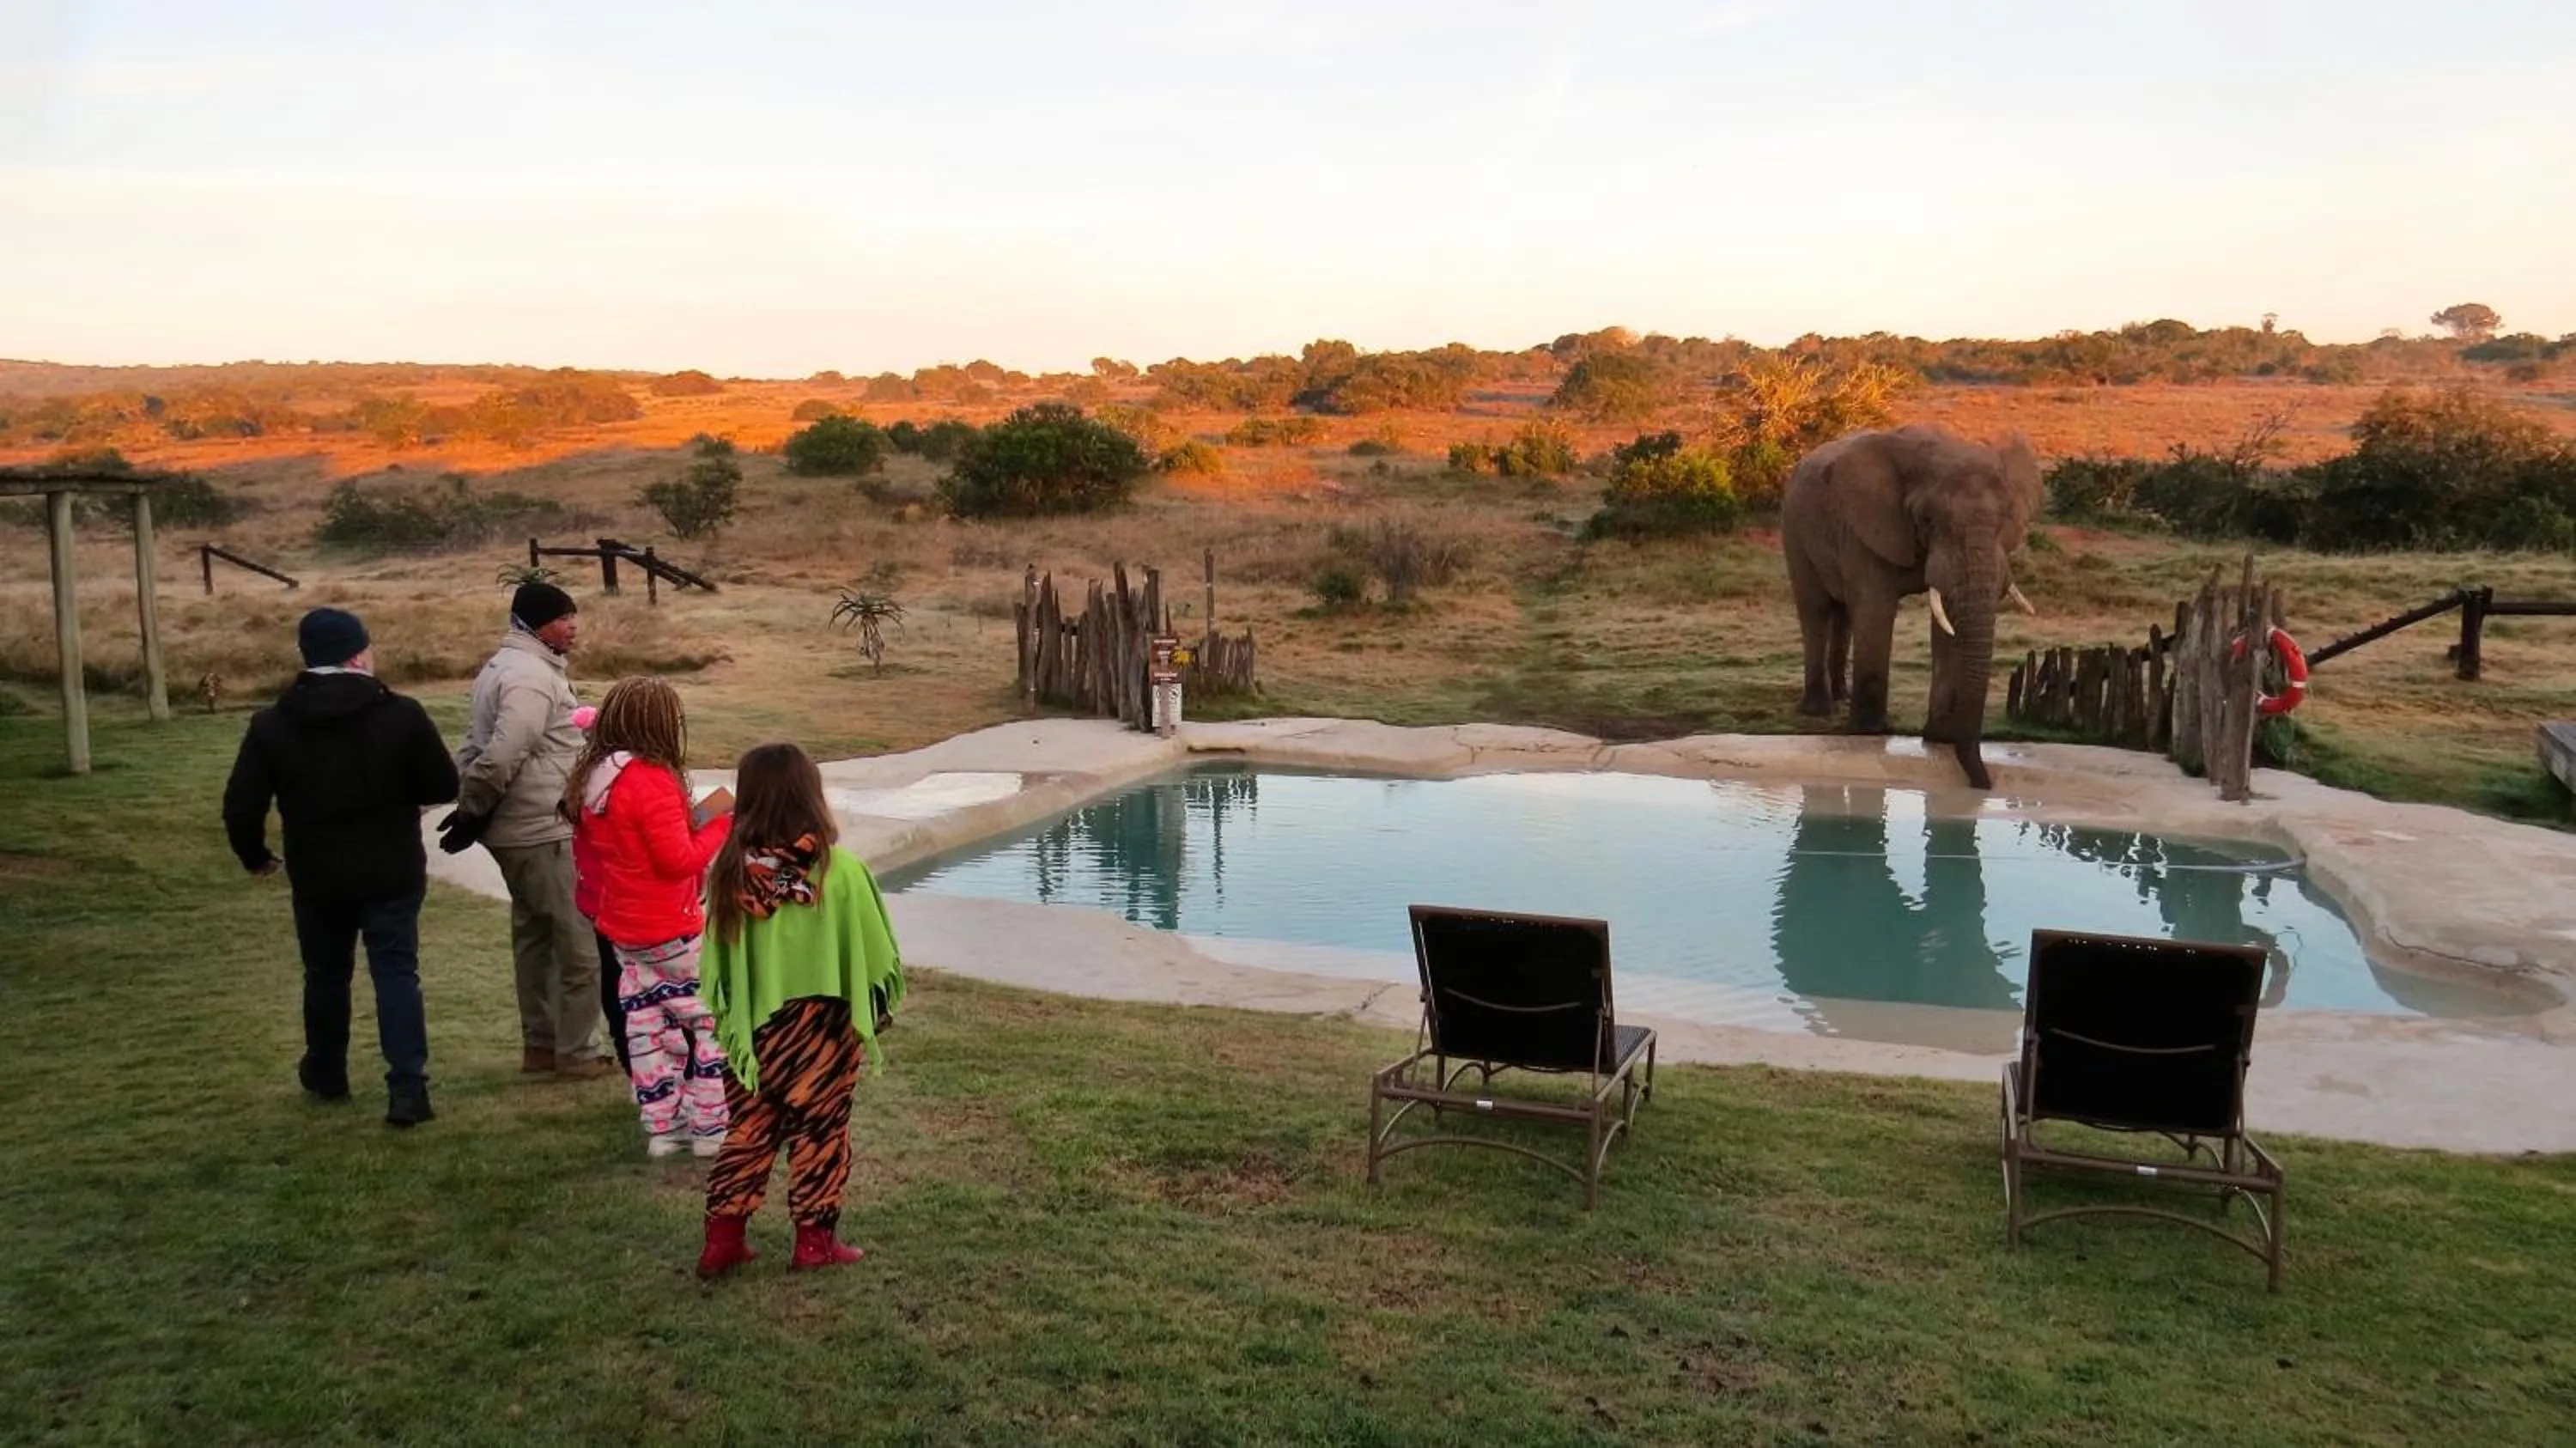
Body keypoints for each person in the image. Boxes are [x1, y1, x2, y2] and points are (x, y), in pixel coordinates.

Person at [222, 606, 459, 1128]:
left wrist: (255, 856)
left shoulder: (272, 723)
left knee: (326, 973)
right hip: (391, 865)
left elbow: (242, 805)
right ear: (356, 656)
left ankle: (327, 1069)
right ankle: (407, 1087)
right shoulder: (401, 714)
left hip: (318, 871)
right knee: (396, 973)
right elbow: (443, 784)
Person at [695, 742, 904, 1278]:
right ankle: (814, 1243)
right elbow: (875, 951)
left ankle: (723, 1240)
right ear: (810, 795)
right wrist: (872, 1009)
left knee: (750, 1128)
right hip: (824, 1027)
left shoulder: (731, 875)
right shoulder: (841, 872)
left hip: (757, 1026)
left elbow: (720, 961)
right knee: (822, 1130)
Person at [447, 581, 614, 1080]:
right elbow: (502, 752)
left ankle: (540, 1046)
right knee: (578, 944)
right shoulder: (530, 677)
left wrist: (473, 809)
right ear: (537, 624)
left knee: (535, 938)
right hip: (543, 826)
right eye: (563, 618)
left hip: (519, 826)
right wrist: (472, 807)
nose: (573, 626)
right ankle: (578, 1052)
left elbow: (475, 745)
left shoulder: (506, 666)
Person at [566, 678, 734, 1158]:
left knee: (647, 1028)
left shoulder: (595, 777)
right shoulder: (651, 779)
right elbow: (677, 860)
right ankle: (710, 1126)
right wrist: (723, 823)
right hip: (668, 926)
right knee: (711, 1021)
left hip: (623, 924)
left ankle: (664, 1127)